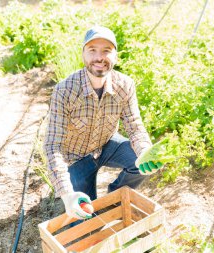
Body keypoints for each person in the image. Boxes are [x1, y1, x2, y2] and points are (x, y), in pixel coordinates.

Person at [44, 26, 164, 221]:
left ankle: (115, 198)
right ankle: (86, 207)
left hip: (106, 144)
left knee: (140, 163)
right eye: (92, 50)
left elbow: (134, 125)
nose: (99, 57)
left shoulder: (125, 85)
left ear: (115, 56)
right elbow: (52, 146)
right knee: (86, 216)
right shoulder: (64, 90)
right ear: (83, 54)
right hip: (76, 158)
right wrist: (67, 194)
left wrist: (144, 152)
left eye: (106, 51)